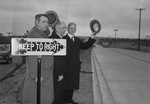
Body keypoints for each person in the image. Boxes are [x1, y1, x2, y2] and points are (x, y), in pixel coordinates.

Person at [21, 14, 54, 104]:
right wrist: (36, 75)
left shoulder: (40, 33)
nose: (46, 24)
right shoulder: (33, 35)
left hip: (44, 72)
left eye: (47, 22)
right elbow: (32, 57)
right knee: (36, 98)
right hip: (39, 74)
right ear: (37, 22)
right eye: (43, 22)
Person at [63, 22, 96, 104]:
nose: (72, 30)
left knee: (72, 84)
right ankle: (64, 100)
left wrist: (91, 38)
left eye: (74, 28)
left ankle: (69, 99)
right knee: (66, 84)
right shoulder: (63, 39)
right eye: (71, 28)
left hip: (75, 66)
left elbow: (85, 46)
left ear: (76, 29)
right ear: (67, 29)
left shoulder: (77, 40)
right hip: (66, 66)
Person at [49, 21, 67, 104]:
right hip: (56, 73)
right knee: (56, 94)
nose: (65, 30)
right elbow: (56, 59)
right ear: (57, 28)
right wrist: (59, 73)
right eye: (63, 28)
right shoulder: (55, 39)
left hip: (56, 72)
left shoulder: (59, 38)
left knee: (58, 94)